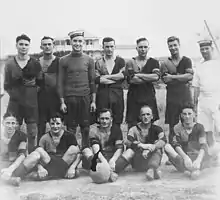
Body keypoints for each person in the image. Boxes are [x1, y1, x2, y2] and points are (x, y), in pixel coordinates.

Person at [9, 113, 81, 185]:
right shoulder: (45, 137)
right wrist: (40, 168)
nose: (55, 126)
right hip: (50, 165)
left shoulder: (70, 136)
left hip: (64, 164)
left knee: (73, 149)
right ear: (49, 124)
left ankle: (49, 176)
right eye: (52, 124)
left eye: (58, 123)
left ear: (62, 124)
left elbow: (79, 155)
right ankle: (13, 175)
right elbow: (37, 155)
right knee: (38, 151)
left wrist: (72, 167)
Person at [58, 30, 96, 149]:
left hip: (85, 97)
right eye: (75, 41)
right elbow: (60, 82)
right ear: (70, 42)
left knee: (85, 127)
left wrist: (93, 101)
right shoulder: (63, 60)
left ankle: (85, 151)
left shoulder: (89, 60)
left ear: (83, 43)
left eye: (80, 41)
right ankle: (72, 150)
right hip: (70, 98)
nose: (77, 44)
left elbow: (92, 81)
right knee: (71, 127)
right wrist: (62, 102)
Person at [4, 34, 42, 153]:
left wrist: (31, 93)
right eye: (21, 44)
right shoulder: (10, 64)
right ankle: (13, 154)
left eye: (26, 45)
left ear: (29, 46)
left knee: (32, 132)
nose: (23, 47)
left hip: (31, 102)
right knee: (13, 129)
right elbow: (6, 84)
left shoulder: (35, 63)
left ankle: (31, 155)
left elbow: (40, 82)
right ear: (16, 45)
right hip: (15, 102)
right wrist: (15, 95)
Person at [114, 105, 166, 180]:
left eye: (148, 114)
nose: (145, 117)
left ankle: (151, 170)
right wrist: (141, 146)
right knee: (129, 151)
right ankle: (114, 170)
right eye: (143, 114)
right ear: (140, 117)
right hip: (138, 160)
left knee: (158, 148)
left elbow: (163, 140)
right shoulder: (134, 129)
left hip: (152, 159)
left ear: (152, 116)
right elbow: (128, 141)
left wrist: (150, 148)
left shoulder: (157, 129)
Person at [161, 36, 194, 144]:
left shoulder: (186, 60)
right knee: (173, 126)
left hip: (185, 96)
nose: (173, 48)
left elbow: (189, 76)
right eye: (170, 46)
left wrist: (173, 77)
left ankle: (190, 150)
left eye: (175, 45)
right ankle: (173, 154)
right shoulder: (165, 63)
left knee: (188, 123)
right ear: (168, 47)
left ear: (179, 45)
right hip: (172, 97)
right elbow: (166, 79)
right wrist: (181, 77)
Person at [164, 103, 211, 179]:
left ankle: (191, 171)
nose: (187, 116)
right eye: (184, 114)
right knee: (167, 147)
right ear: (181, 115)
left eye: (189, 114)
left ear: (194, 115)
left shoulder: (199, 127)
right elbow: (176, 144)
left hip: (197, 155)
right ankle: (190, 170)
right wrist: (185, 157)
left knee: (212, 150)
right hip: (184, 157)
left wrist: (198, 160)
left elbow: (203, 145)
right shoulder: (176, 128)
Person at [125, 37, 160, 129]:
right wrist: (148, 77)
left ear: (148, 48)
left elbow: (156, 77)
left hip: (148, 96)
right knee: (133, 125)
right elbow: (132, 80)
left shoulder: (154, 62)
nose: (143, 49)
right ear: (136, 48)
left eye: (145, 47)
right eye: (140, 47)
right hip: (134, 97)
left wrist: (138, 75)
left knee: (150, 125)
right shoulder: (130, 62)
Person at [193, 39, 220, 156]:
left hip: (217, 97)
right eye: (202, 49)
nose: (204, 51)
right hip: (203, 99)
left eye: (206, 48)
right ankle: (212, 154)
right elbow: (196, 86)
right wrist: (194, 104)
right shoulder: (199, 66)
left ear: (212, 49)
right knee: (206, 128)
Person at [82, 108, 124, 182]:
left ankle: (105, 172)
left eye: (107, 118)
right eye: (102, 119)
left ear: (111, 119)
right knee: (86, 151)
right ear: (98, 119)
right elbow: (96, 149)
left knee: (127, 152)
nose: (104, 121)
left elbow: (119, 148)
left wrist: (113, 160)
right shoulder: (93, 129)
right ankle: (109, 173)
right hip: (98, 158)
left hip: (111, 159)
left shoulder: (116, 129)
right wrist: (105, 165)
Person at [95, 37, 125, 126]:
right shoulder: (99, 62)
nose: (109, 49)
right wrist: (115, 79)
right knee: (102, 121)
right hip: (103, 94)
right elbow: (98, 79)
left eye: (111, 46)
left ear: (115, 47)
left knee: (117, 120)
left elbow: (122, 76)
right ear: (103, 47)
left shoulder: (120, 61)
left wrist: (107, 77)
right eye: (107, 47)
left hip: (117, 94)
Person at [38, 36, 60, 141]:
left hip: (55, 97)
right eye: (45, 44)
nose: (47, 47)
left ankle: (57, 147)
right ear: (41, 46)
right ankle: (40, 147)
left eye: (49, 44)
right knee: (41, 124)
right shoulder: (37, 62)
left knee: (56, 123)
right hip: (40, 98)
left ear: (53, 46)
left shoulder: (59, 61)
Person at [0, 112, 27, 186]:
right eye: (7, 123)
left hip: (15, 165)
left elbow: (22, 155)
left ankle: (6, 179)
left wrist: (10, 170)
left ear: (16, 124)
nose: (10, 126)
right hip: (2, 165)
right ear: (3, 123)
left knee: (33, 158)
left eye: (13, 123)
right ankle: (10, 180)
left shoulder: (22, 136)